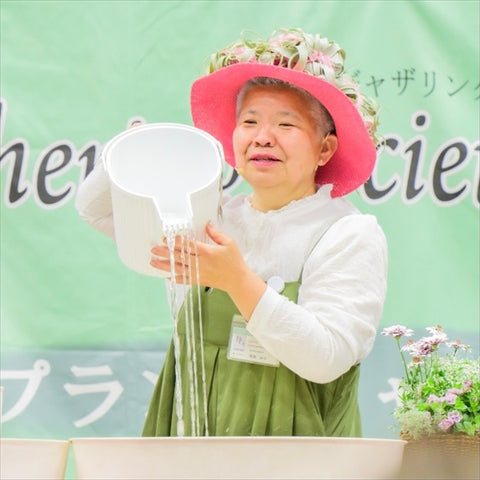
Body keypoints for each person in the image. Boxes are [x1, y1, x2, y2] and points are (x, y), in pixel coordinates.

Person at [75, 28, 387, 438]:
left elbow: (326, 358)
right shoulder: (211, 215)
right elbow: (97, 210)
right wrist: (130, 150)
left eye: (286, 124)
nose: (262, 137)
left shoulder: (346, 233)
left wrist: (237, 281)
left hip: (296, 453)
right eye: (249, 121)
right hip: (193, 435)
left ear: (324, 149)